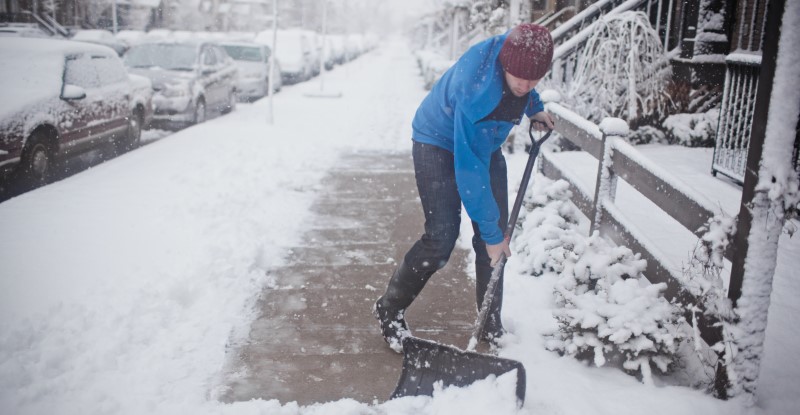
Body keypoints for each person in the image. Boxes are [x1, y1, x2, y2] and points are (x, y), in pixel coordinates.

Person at [373, 24, 556, 352]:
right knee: (442, 237)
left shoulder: (520, 51)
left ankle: (490, 322)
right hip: (437, 141)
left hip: (482, 142)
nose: (526, 85)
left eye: (535, 80)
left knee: (497, 239)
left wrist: (534, 105)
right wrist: (490, 234)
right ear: (505, 64)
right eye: (520, 79)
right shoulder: (477, 92)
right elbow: (469, 172)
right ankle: (389, 308)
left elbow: (525, 85)